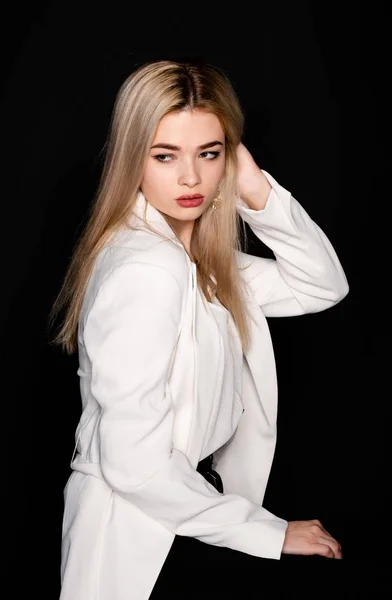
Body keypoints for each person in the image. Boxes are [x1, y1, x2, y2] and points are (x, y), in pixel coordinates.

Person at [50, 58, 349, 600]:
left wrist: (256, 191)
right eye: (164, 156)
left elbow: (324, 286)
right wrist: (267, 532)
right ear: (131, 159)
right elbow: (135, 468)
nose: (190, 178)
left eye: (208, 154)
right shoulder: (147, 269)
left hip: (185, 519)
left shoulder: (203, 264)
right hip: (132, 537)